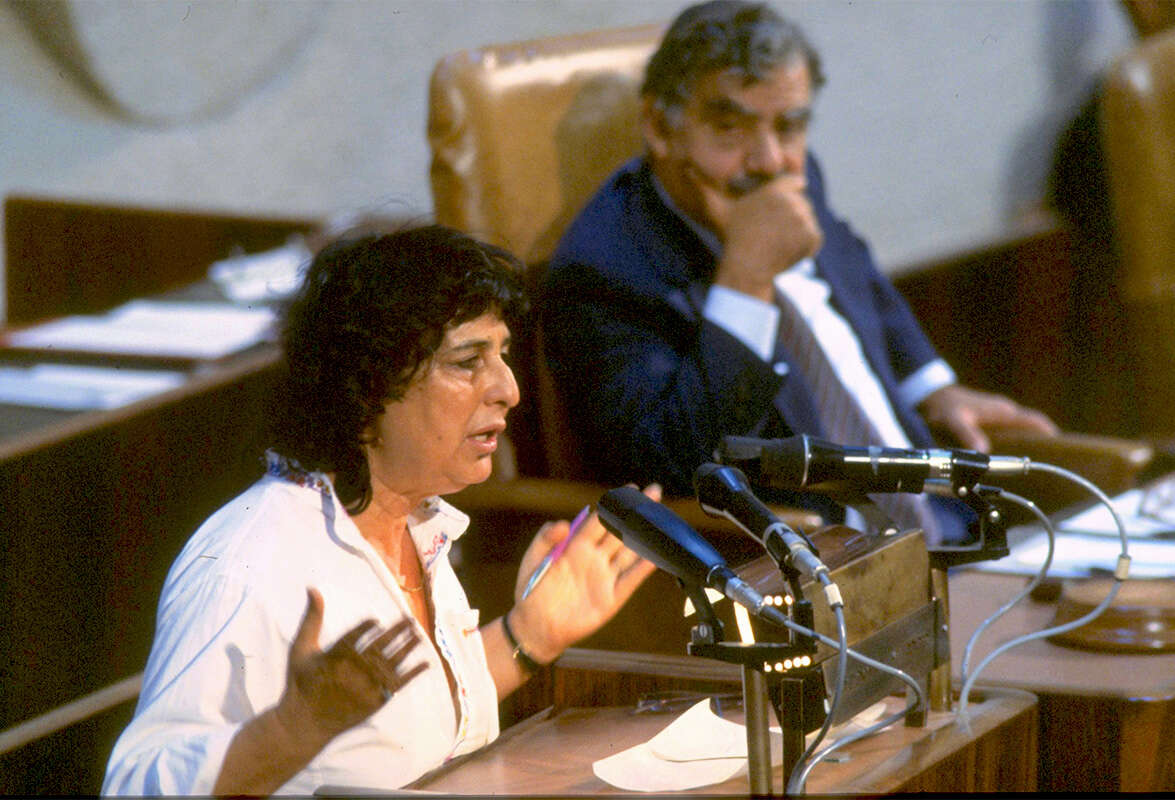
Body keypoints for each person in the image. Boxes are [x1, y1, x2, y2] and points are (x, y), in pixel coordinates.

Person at [102, 225, 657, 795]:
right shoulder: (247, 566)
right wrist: (292, 731)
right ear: (369, 387)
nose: (508, 389)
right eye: (468, 361)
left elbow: (413, 736)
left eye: (504, 355)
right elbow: (132, 787)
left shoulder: (416, 522)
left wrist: (528, 635)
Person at [540, 0, 1057, 540]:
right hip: (813, 563)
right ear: (659, 127)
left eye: (789, 127)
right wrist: (746, 279)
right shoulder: (601, 272)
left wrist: (932, 388)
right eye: (730, 128)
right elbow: (670, 469)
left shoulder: (796, 171)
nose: (769, 161)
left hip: (952, 527)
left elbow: (855, 273)